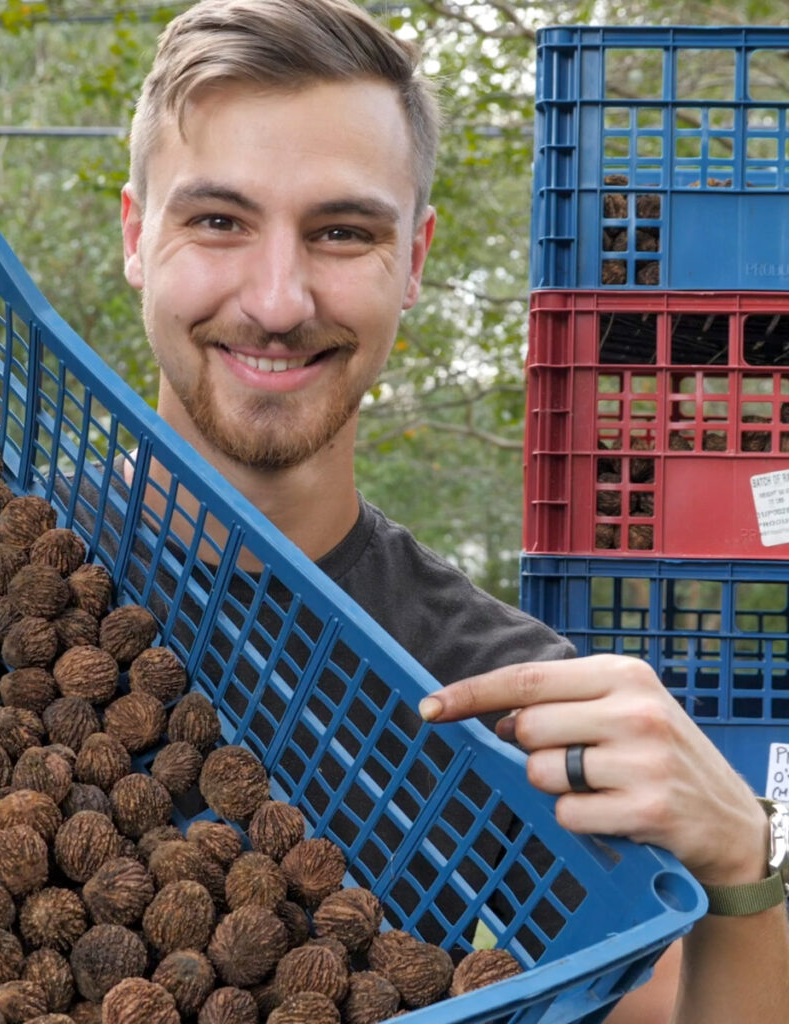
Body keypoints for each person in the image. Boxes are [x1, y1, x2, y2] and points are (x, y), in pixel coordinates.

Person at [118, 0, 789, 1020]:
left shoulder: (497, 694)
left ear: (415, 260)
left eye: (342, 233)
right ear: (135, 234)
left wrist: (747, 867)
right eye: (218, 221)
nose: (277, 299)